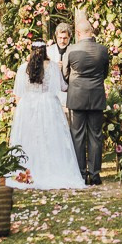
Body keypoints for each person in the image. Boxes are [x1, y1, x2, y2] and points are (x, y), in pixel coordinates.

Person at [7, 41, 85, 189]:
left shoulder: (23, 68)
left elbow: (18, 93)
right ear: (45, 51)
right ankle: (51, 170)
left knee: (29, 139)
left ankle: (28, 170)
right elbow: (62, 87)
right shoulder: (54, 67)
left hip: (28, 105)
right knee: (50, 138)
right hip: (49, 106)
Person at [63, 16, 109, 186]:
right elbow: (105, 73)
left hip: (77, 96)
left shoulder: (71, 50)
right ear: (91, 31)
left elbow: (65, 74)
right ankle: (95, 175)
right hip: (96, 95)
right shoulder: (102, 50)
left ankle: (80, 174)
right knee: (96, 136)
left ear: (77, 33)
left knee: (77, 135)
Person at [46, 23, 72, 107]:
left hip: (70, 91)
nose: (62, 41)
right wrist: (53, 67)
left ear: (69, 37)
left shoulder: (74, 50)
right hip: (52, 92)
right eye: (60, 38)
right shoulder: (48, 51)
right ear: (56, 37)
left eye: (65, 38)